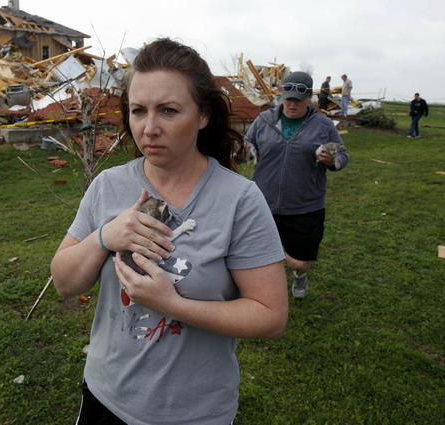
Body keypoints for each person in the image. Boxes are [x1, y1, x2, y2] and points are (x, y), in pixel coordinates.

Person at [50, 38, 288, 425]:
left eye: (169, 111)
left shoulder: (239, 199)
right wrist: (104, 237)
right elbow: (63, 283)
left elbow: (270, 316)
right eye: (138, 111)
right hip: (105, 397)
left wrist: (172, 304)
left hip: (192, 412)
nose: (150, 128)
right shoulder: (108, 186)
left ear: (203, 115)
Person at [244, 71, 349, 299]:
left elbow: (343, 155)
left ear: (309, 99)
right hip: (263, 202)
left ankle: (300, 276)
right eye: (288, 99)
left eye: (298, 101)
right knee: (255, 256)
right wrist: (239, 151)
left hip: (305, 206)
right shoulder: (264, 121)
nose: (292, 104)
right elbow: (246, 148)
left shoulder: (322, 125)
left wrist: (332, 160)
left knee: (298, 262)